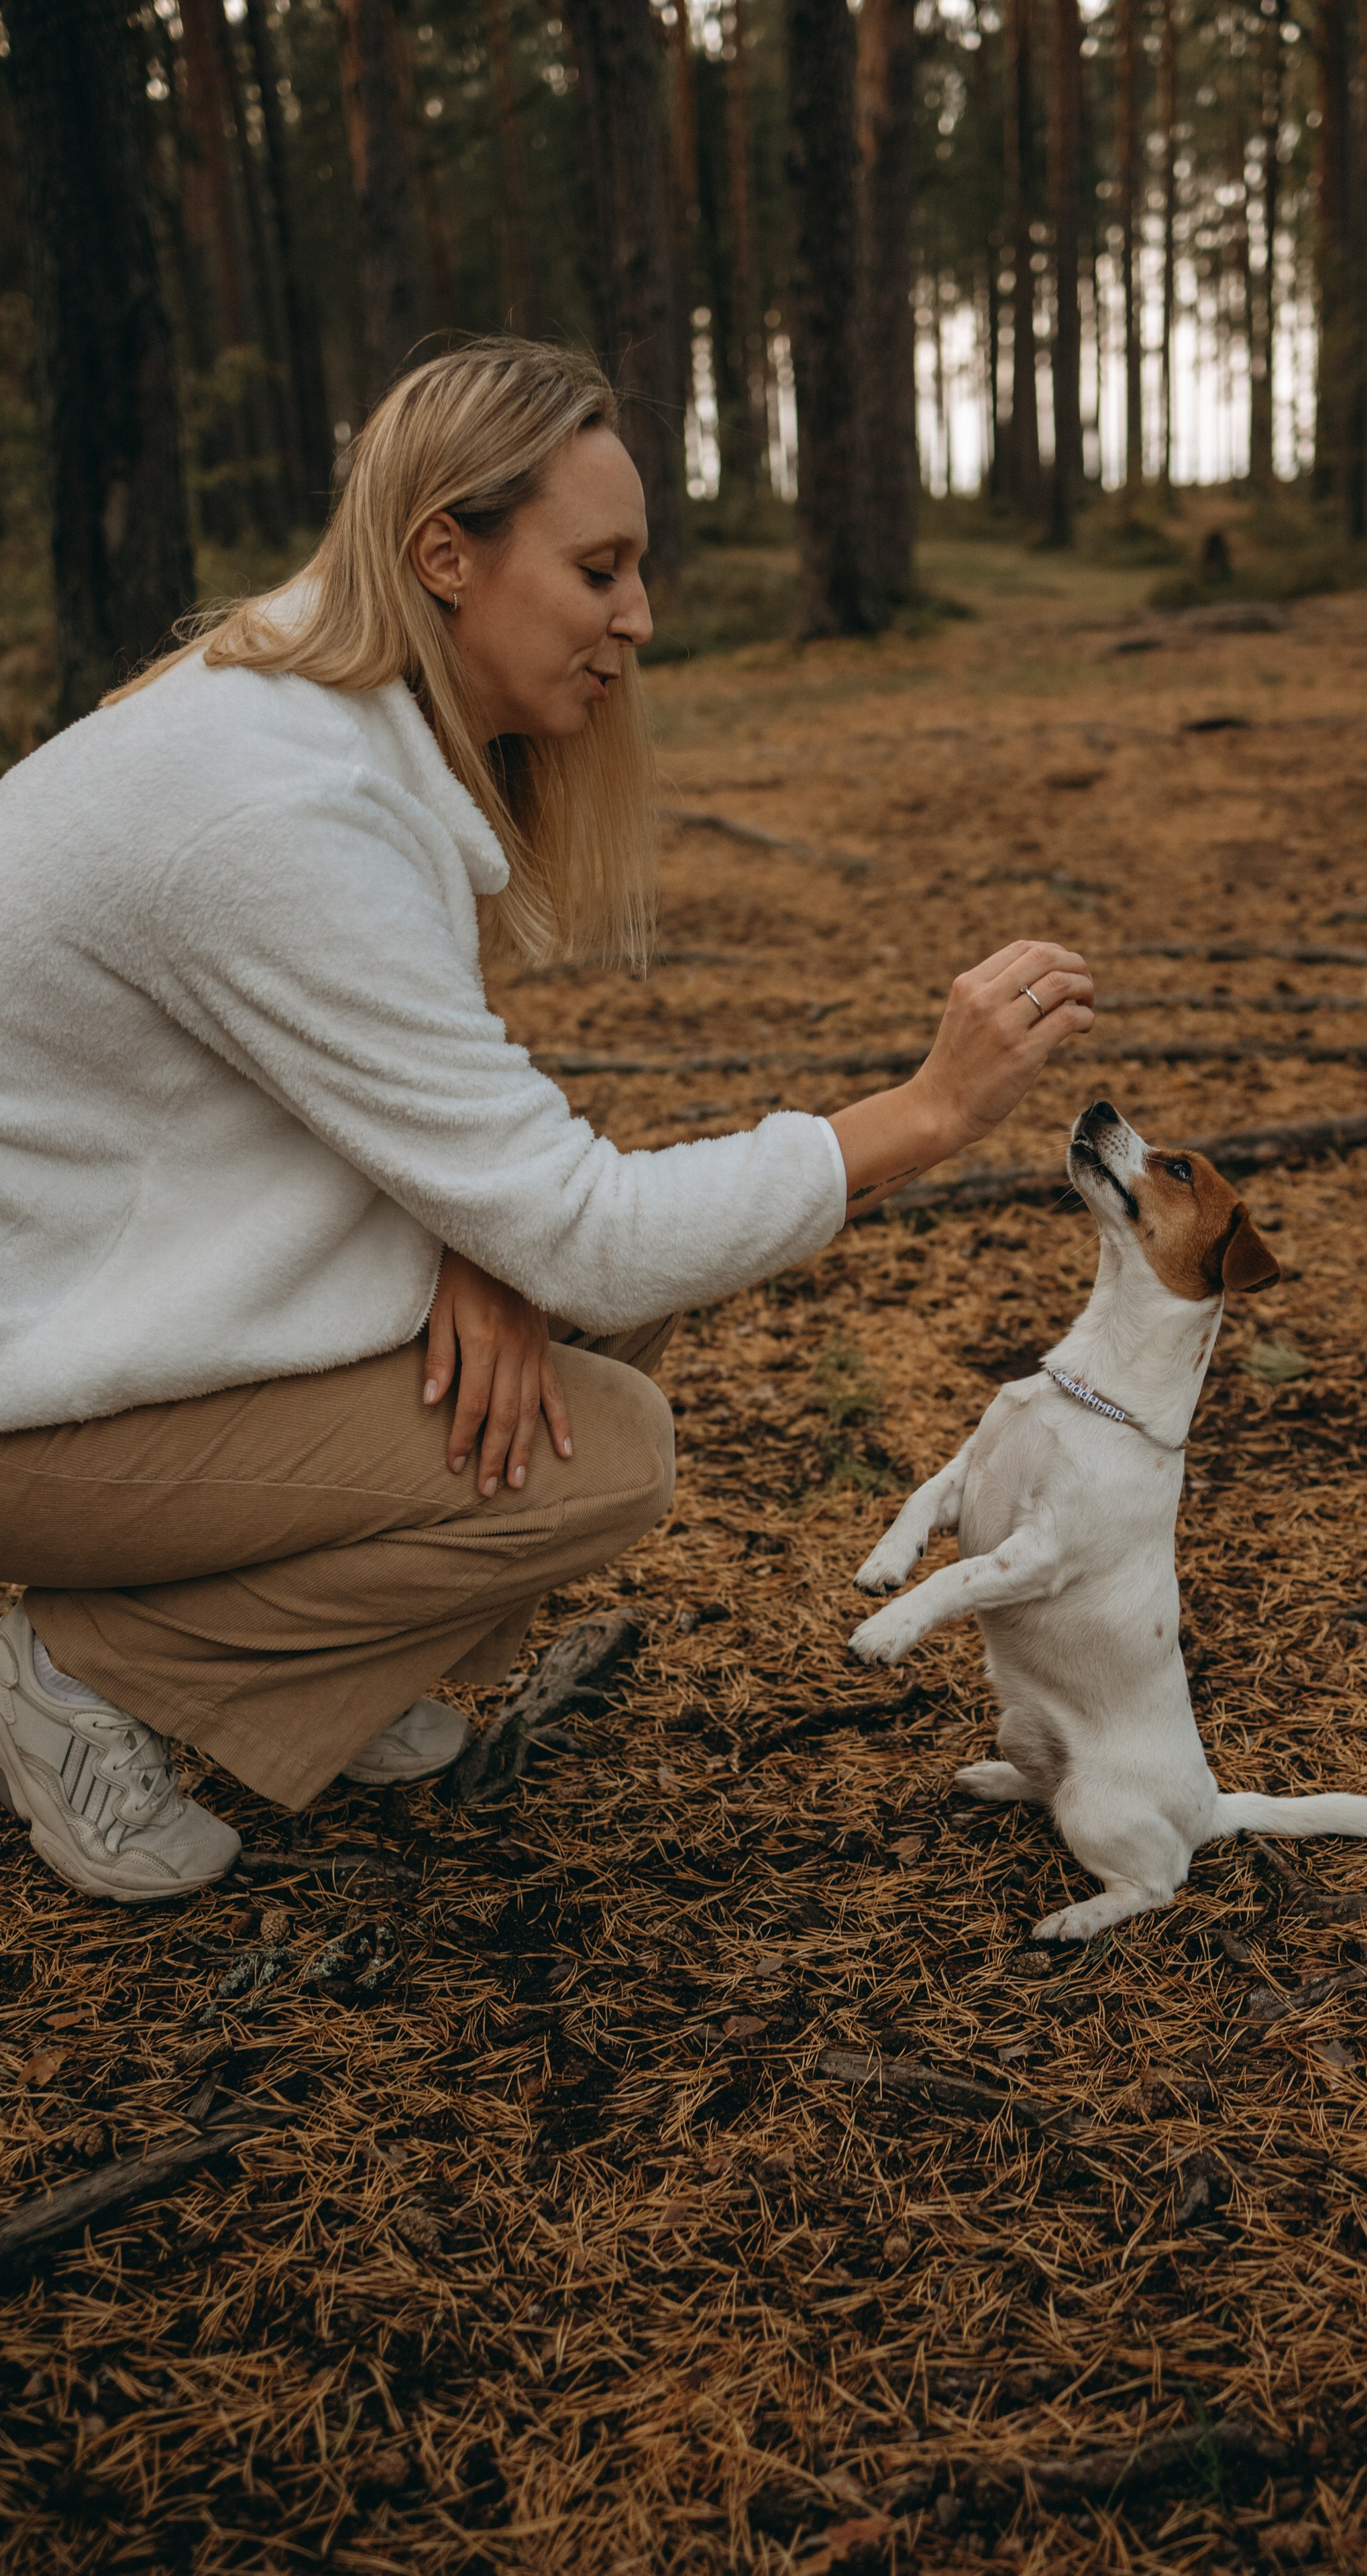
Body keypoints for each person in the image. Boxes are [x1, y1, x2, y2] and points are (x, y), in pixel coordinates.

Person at [0, 339, 1093, 1907]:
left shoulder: (316, 716)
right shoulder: (275, 806)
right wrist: (921, 1114)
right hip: (36, 1395)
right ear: (445, 555)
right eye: (598, 570)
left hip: (97, 1307)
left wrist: (483, 1244)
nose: (636, 616)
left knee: (570, 1319)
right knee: (602, 1452)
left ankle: (322, 1671)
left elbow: (420, 1124)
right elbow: (583, 1229)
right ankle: (85, 1667)